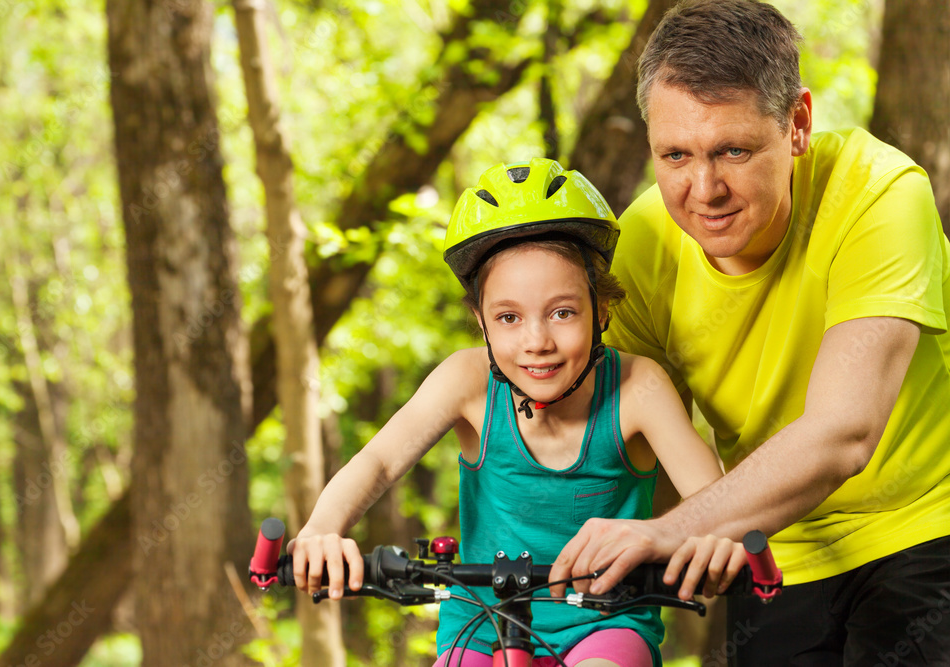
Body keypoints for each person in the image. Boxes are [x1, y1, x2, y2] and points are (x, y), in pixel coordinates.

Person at [548, 1, 950, 665]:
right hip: (768, 548)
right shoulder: (643, 245)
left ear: (797, 125)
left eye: (733, 150)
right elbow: (623, 445)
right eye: (675, 155)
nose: (704, 189)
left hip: (925, 531)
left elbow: (843, 433)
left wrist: (678, 529)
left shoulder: (880, 193)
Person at [288, 158, 747, 667]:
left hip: (604, 621)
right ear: (482, 325)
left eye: (563, 312)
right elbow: (377, 463)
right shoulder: (467, 382)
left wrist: (718, 542)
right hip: (480, 626)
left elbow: (716, 505)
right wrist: (322, 529)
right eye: (508, 317)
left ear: (603, 311)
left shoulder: (639, 388)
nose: (537, 342)